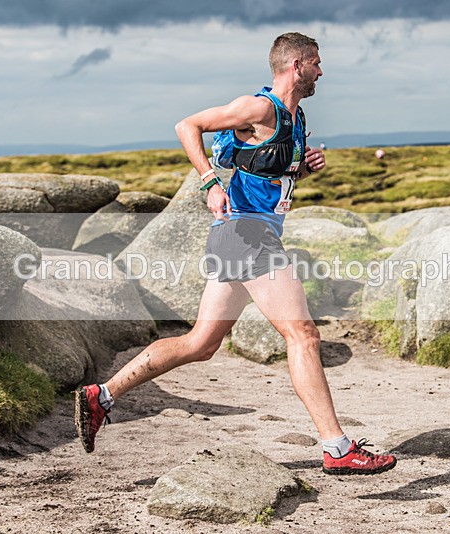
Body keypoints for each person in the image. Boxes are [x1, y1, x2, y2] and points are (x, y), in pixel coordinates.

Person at [75, 32, 397, 476]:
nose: (323, 71)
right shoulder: (259, 107)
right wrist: (208, 181)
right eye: (317, 63)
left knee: (201, 344)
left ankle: (102, 396)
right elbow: (186, 125)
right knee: (303, 335)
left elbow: (263, 168)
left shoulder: (294, 117)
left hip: (240, 237)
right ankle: (338, 449)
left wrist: (301, 168)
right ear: (296, 65)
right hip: (246, 235)